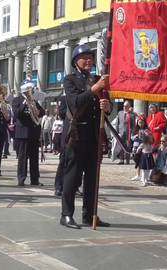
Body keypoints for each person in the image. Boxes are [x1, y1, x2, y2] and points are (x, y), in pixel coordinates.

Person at [60, 44, 111, 229]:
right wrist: (96, 88)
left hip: (94, 137)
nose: (88, 60)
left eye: (90, 57)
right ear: (76, 62)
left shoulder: (98, 79)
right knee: (72, 178)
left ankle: (89, 214)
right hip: (76, 135)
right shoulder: (70, 80)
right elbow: (75, 102)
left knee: (92, 179)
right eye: (84, 57)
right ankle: (66, 215)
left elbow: (107, 106)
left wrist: (108, 107)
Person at [12, 78, 45, 187]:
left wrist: (38, 112)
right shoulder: (17, 100)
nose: (29, 92)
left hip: (34, 132)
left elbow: (42, 112)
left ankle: (35, 179)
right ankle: (21, 178)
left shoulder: (34, 100)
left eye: (30, 90)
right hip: (23, 133)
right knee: (23, 157)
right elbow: (17, 114)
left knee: (34, 158)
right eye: (27, 90)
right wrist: (24, 104)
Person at [130, 116, 148, 181]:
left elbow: (149, 138)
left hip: (143, 146)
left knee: (143, 161)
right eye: (139, 123)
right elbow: (131, 137)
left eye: (142, 123)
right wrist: (136, 136)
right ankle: (137, 175)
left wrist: (145, 136)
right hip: (136, 146)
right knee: (137, 161)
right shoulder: (135, 130)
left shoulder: (146, 130)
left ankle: (144, 176)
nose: (140, 124)